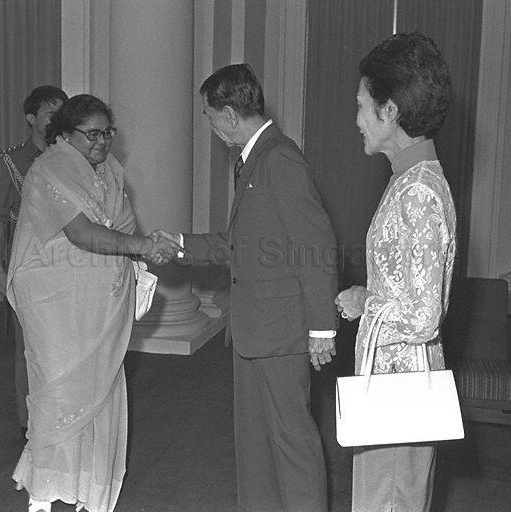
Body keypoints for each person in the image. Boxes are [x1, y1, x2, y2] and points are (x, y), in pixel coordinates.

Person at [176, 63, 339, 512]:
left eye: (209, 116)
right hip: (254, 329)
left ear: (229, 115)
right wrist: (181, 245)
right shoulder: (253, 160)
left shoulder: (278, 158)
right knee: (255, 443)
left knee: (292, 442)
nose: (210, 126)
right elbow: (243, 246)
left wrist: (322, 328)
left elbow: (317, 242)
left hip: (280, 331)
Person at [7, 94, 180, 512]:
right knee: (59, 392)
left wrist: (147, 248)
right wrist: (141, 245)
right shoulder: (48, 169)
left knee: (99, 391)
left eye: (107, 132)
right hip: (55, 306)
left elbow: (122, 227)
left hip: (100, 304)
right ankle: (43, 495)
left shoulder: (110, 173)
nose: (102, 142)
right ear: (64, 135)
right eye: (91, 134)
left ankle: (89, 489)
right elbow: (83, 234)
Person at [335, 32, 456, 512]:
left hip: (402, 392)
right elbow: (408, 286)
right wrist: (372, 291)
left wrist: (368, 303)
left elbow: (424, 314)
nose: (357, 118)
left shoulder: (420, 191)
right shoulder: (408, 179)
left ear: (390, 111)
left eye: (362, 105)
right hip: (387, 383)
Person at [0, 85, 68, 438]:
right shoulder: (9, 163)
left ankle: (61, 413)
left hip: (65, 267)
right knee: (28, 347)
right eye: (51, 113)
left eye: (62, 113)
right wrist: (0, 273)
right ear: (31, 118)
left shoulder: (68, 160)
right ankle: (29, 421)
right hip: (27, 269)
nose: (57, 120)